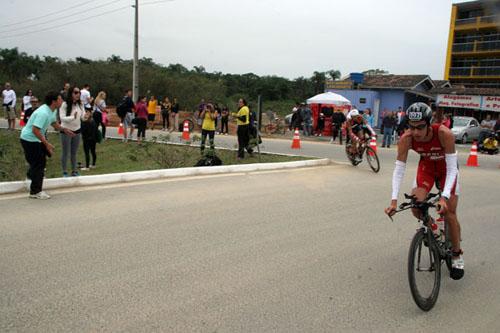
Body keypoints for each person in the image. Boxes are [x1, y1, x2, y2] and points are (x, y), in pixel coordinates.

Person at [385, 102, 464, 280]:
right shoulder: (406, 139)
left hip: (446, 170)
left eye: (420, 127)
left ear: (429, 124)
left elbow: (452, 169)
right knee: (416, 206)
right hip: (427, 169)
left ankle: (457, 254)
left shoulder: (444, 134)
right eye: (411, 127)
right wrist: (393, 201)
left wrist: (444, 197)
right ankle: (433, 228)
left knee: (449, 212)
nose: (416, 132)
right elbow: (399, 169)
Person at [20, 91, 74, 199]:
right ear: (54, 101)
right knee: (39, 164)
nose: (62, 101)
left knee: (39, 163)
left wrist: (64, 129)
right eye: (60, 99)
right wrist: (47, 144)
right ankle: (35, 192)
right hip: (29, 140)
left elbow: (54, 123)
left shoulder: (52, 110)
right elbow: (35, 130)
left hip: (36, 139)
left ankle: (30, 178)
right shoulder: (43, 113)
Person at [59, 86, 85, 177]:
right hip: (66, 130)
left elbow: (82, 117)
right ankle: (64, 171)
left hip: (77, 130)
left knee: (74, 152)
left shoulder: (80, 105)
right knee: (65, 152)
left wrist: (86, 117)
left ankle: (74, 171)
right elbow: (62, 118)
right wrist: (72, 117)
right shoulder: (65, 104)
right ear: (71, 93)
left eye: (79, 93)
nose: (78, 94)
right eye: (76, 92)